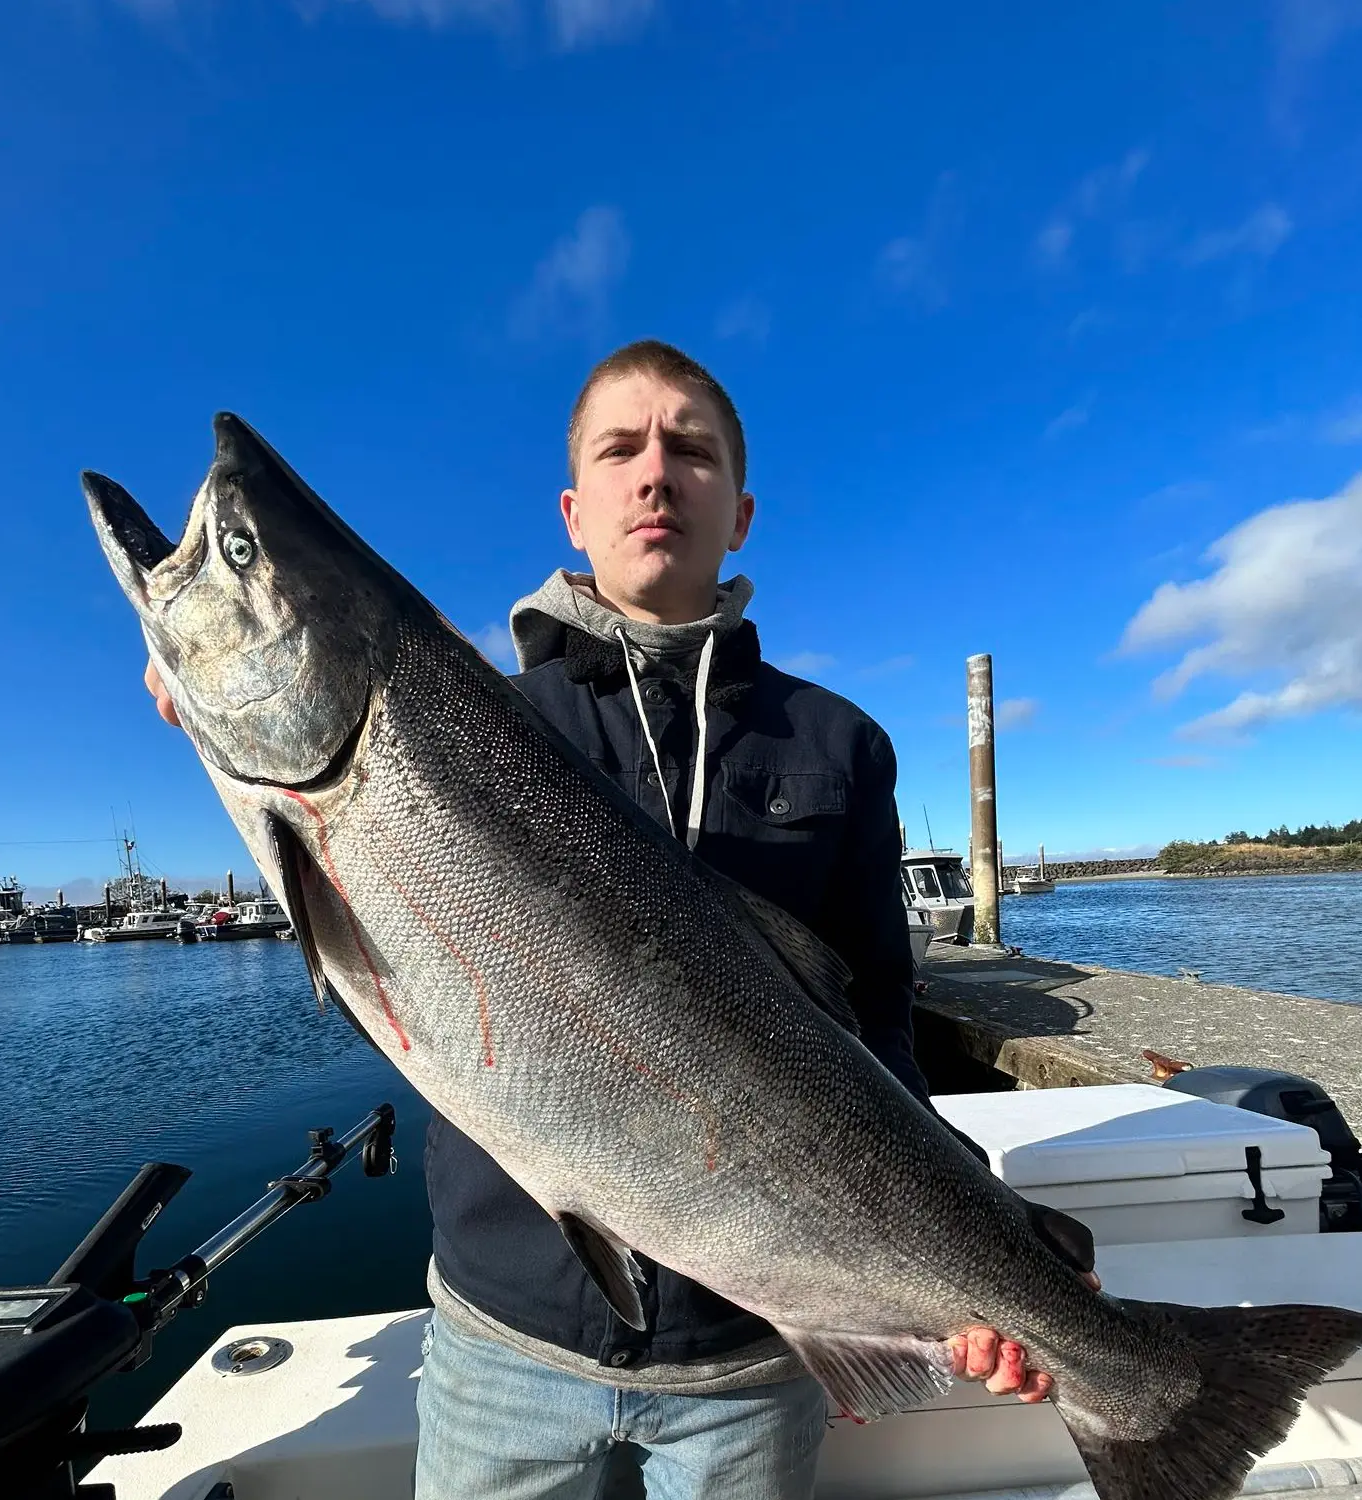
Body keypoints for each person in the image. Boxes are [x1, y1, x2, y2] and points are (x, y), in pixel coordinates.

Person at [145, 340, 1096, 1499]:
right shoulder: (479, 723)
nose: (657, 474)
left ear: (739, 512)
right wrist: (222, 730)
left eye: (691, 450)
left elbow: (881, 1029)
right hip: (506, 1337)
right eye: (622, 449)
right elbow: (390, 980)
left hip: (754, 1353)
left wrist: (978, 1260)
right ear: (574, 509)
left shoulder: (841, 745)